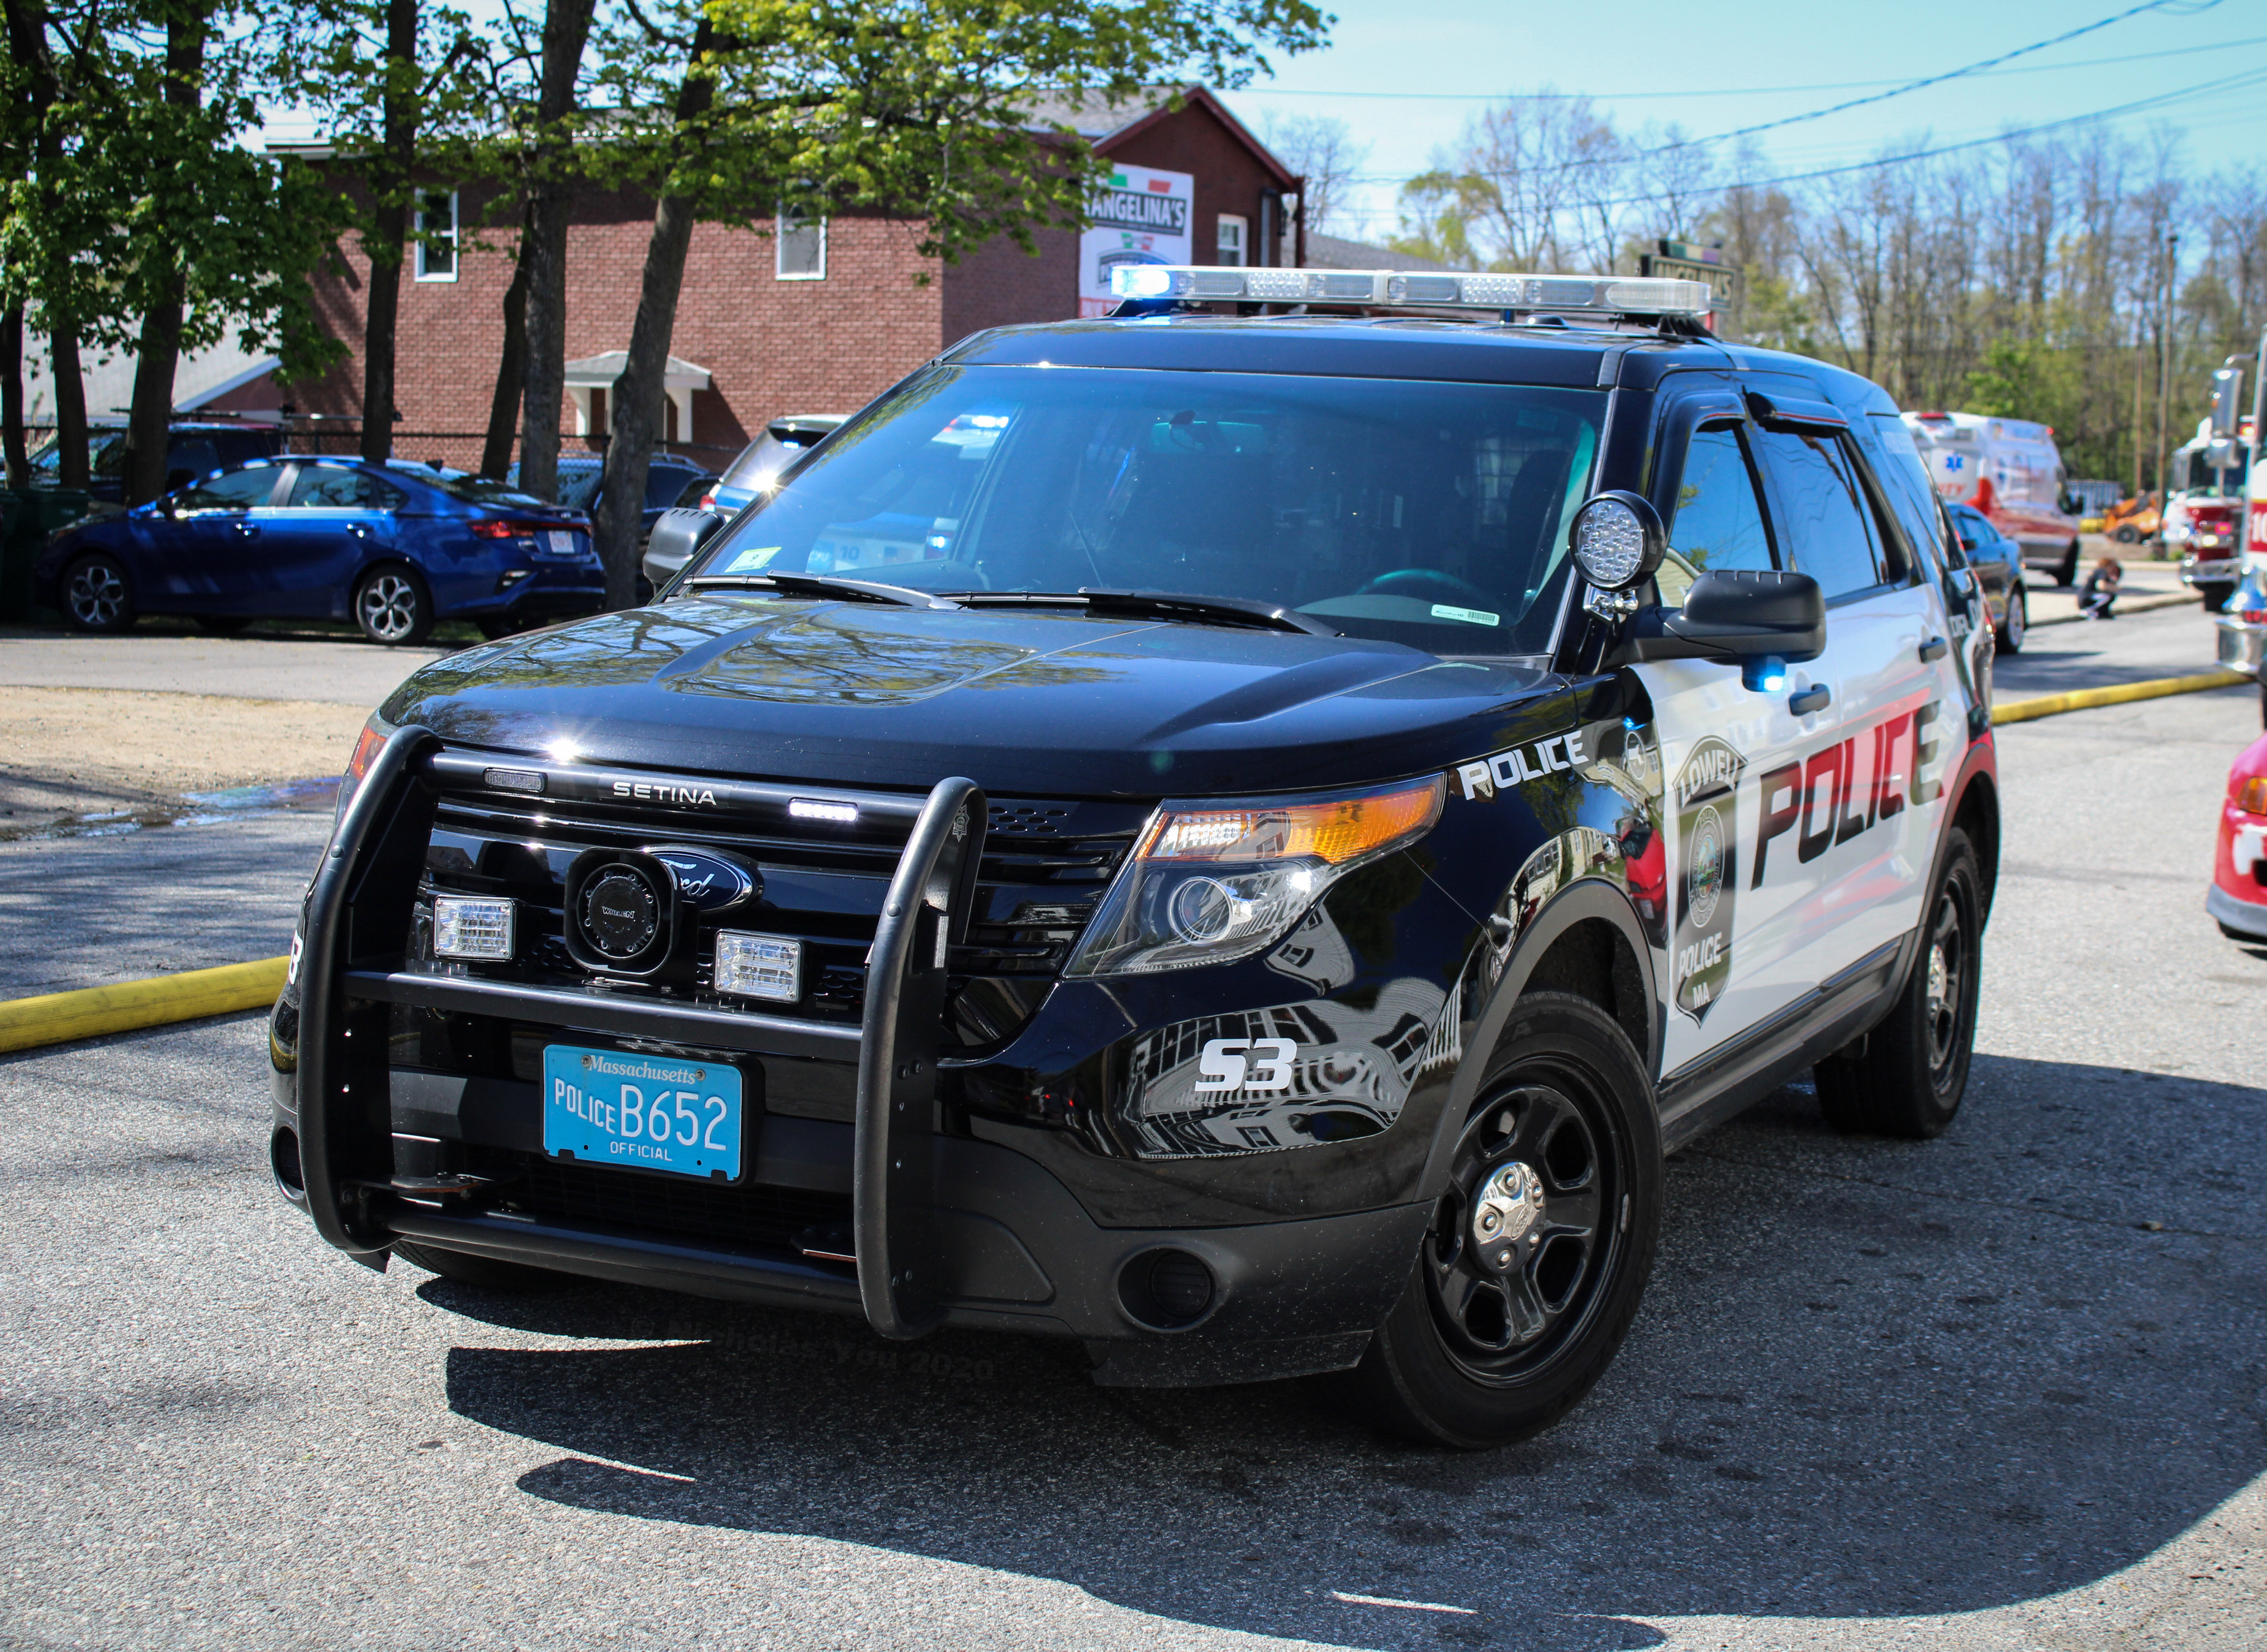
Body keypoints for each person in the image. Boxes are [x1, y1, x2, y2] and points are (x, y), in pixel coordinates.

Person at [2081, 556, 2122, 620]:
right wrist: (2115, 588)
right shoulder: (2102, 571)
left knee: (2109, 595)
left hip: (2088, 596)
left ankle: (2103, 613)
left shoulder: (2097, 571)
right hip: (2087, 596)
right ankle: (2089, 610)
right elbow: (2101, 586)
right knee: (2109, 596)